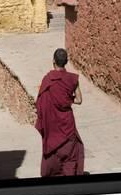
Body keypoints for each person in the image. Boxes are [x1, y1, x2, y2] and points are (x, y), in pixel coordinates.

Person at [35, 48, 84, 177]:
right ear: (66, 62)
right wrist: (68, 99)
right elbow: (79, 100)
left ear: (53, 61)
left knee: (53, 155)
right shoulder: (73, 79)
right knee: (70, 156)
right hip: (67, 125)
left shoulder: (47, 80)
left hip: (52, 126)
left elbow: (39, 105)